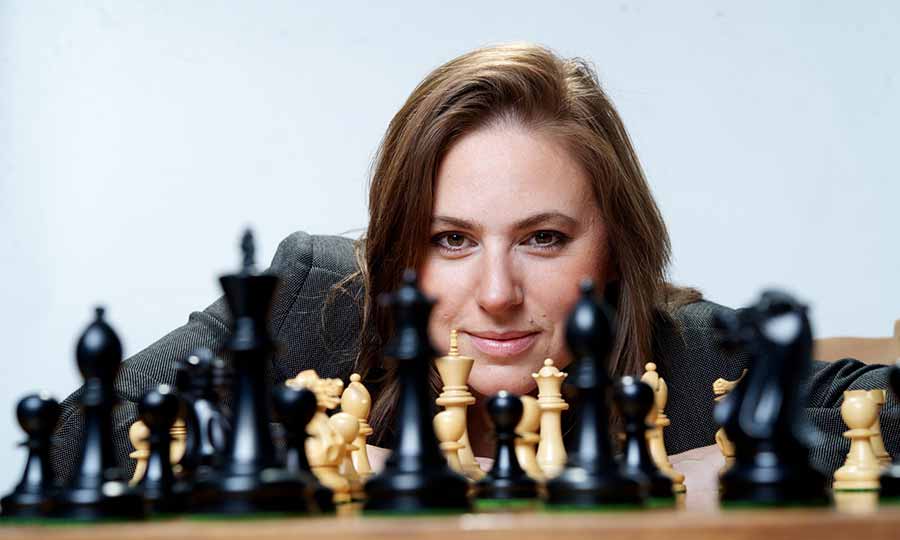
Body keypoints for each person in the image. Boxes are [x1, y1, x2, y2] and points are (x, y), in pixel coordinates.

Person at [50, 43, 896, 484]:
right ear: (397, 252)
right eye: (452, 239)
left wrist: (740, 459)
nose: (496, 294)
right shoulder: (312, 302)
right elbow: (79, 429)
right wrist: (327, 459)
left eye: (544, 238)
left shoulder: (693, 355)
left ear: (616, 248)